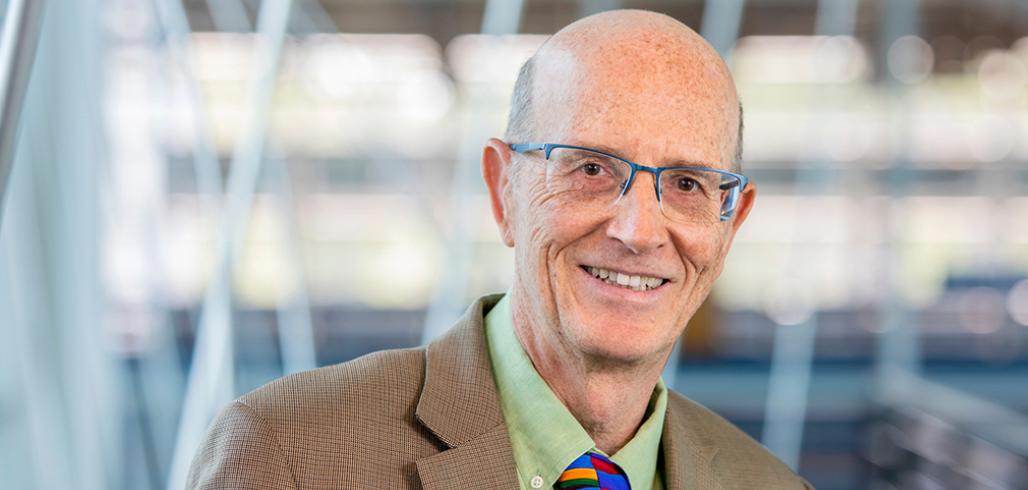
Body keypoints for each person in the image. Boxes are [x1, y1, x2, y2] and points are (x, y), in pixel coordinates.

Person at [188, 9, 812, 490]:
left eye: (686, 184)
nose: (639, 231)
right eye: (591, 168)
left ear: (729, 226)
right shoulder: (291, 452)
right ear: (503, 189)